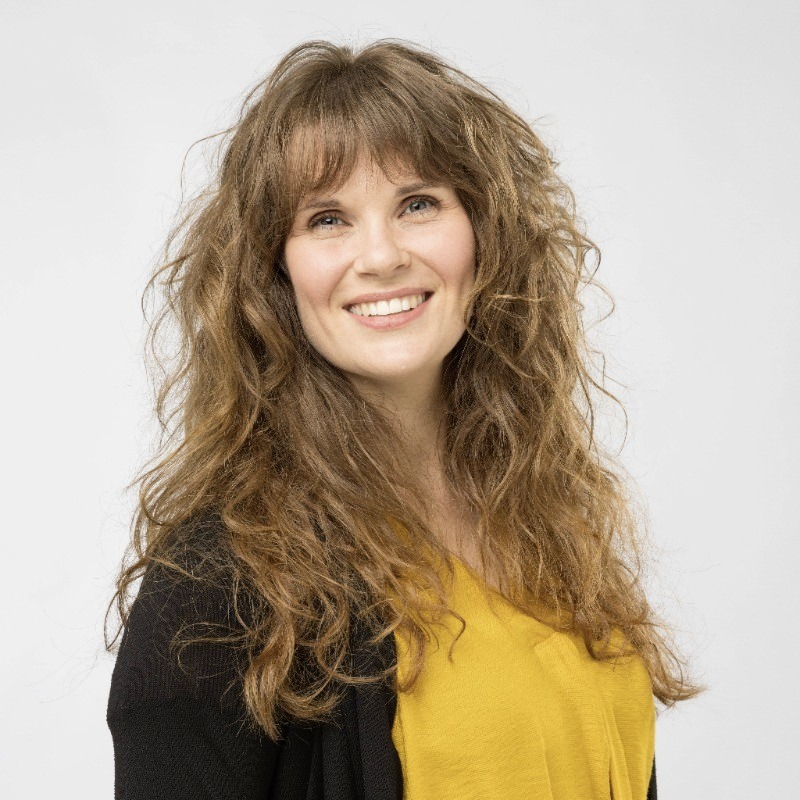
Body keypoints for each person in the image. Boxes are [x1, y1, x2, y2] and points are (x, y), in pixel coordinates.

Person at [105, 38, 704, 799]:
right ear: (273, 272)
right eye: (328, 219)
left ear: (485, 234)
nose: (381, 256)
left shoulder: (550, 521)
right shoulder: (219, 583)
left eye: (418, 204)